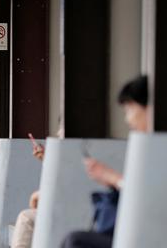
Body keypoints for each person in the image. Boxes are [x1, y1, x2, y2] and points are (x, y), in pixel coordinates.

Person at [62, 75, 149, 248]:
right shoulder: (148, 147)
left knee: (76, 241)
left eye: (130, 109)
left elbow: (153, 200)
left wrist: (114, 179)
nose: (128, 119)